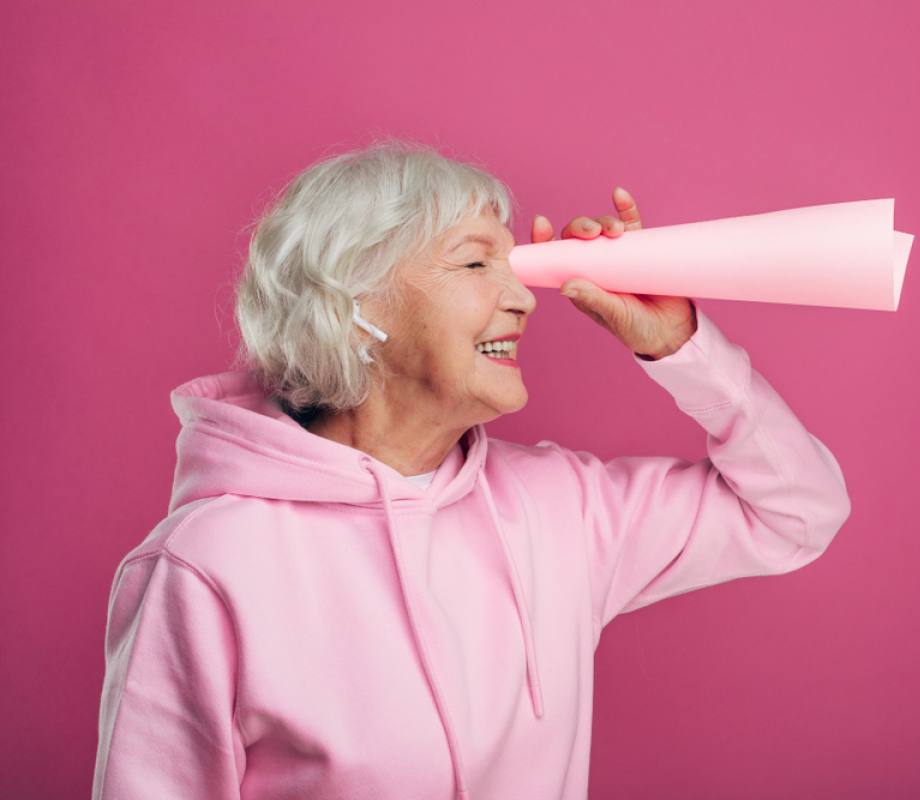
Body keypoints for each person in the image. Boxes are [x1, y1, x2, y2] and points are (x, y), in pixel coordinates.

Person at [93, 142, 851, 799]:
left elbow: (799, 512)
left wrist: (682, 346)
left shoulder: (563, 510)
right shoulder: (206, 566)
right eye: (476, 262)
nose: (523, 298)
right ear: (357, 303)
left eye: (514, 265)